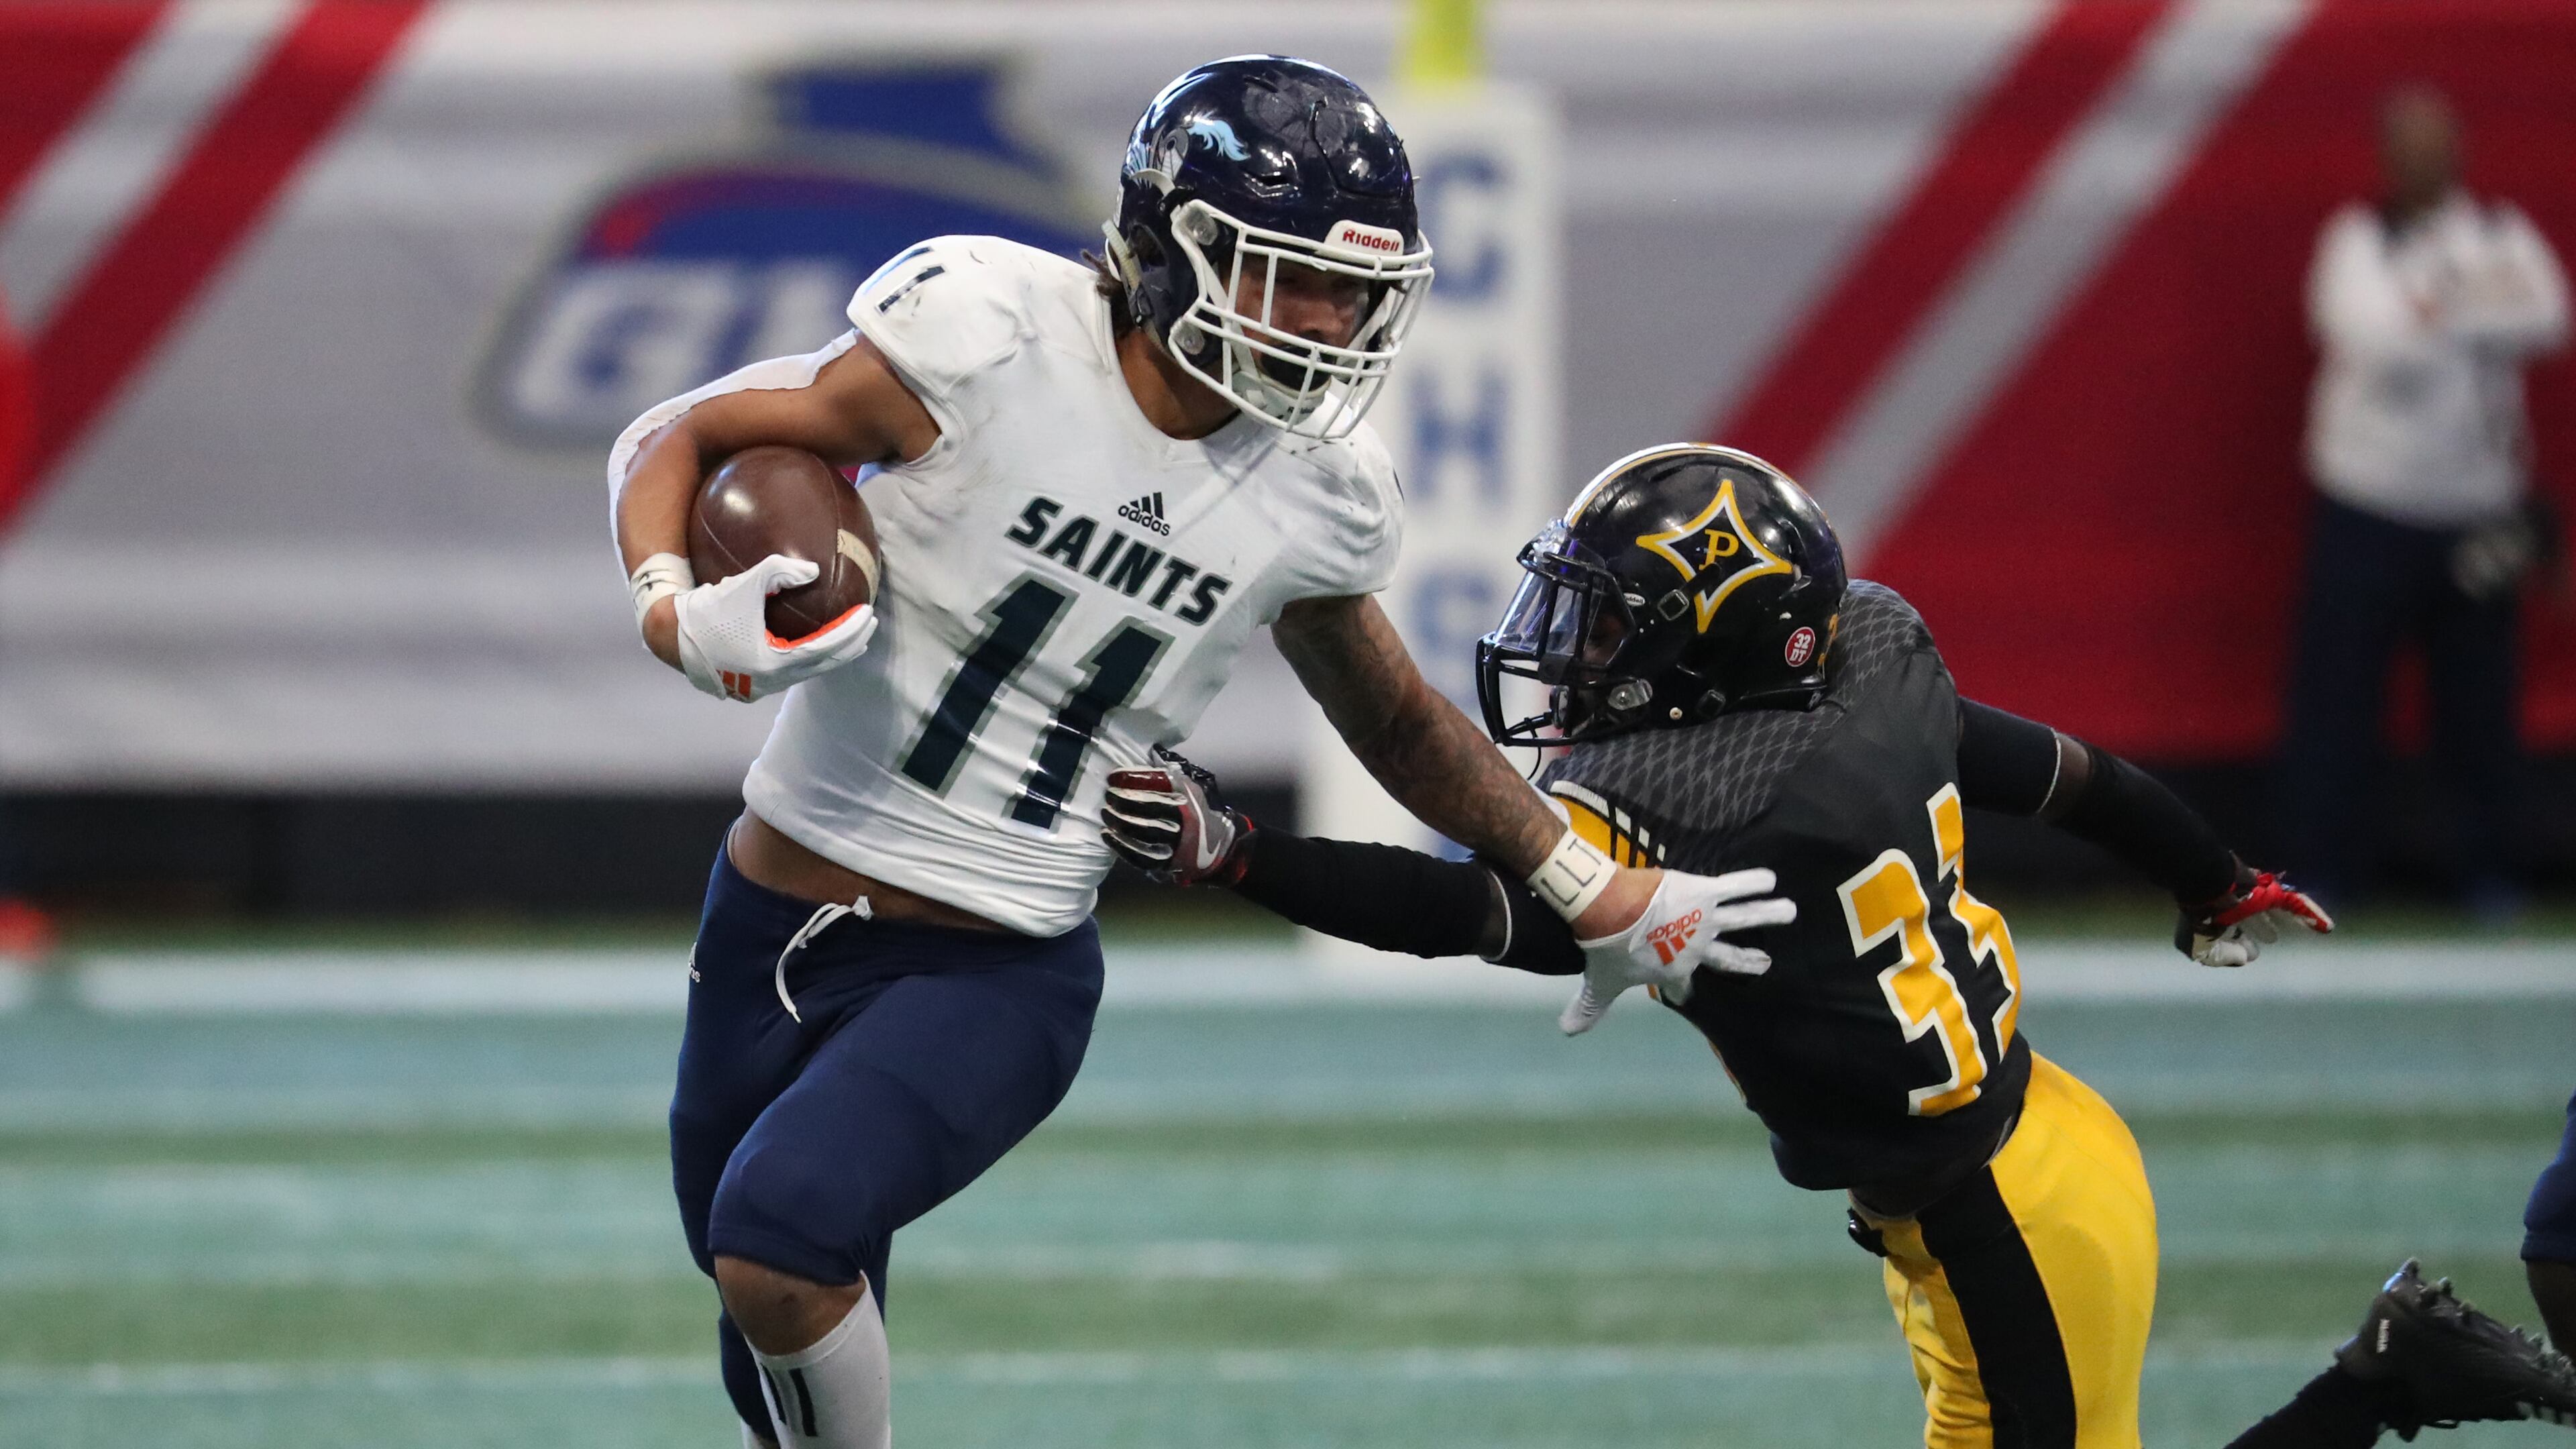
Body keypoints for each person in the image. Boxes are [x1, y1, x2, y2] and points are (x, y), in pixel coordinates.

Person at [606, 58, 1768, 1449]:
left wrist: (1589, 884)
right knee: (766, 1317)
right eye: (1291, 277)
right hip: (766, 915)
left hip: (998, 959)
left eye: (1356, 290)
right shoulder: (988, 336)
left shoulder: (1320, 495)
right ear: (1167, 249)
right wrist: (674, 607)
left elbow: (1397, 722)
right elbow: (686, 437)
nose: (1332, 322)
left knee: (779, 1240)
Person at [1104, 443, 2576, 1448]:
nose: (1583, 658)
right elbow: (2061, 774)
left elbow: (1474, 916)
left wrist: (1242, 854)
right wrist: (2208, 875)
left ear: (1722, 648)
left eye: (1621, 633)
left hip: (2003, 1224)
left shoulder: (1713, 819)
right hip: (2033, 1150)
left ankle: (2387, 1379)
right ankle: (2391, 1372)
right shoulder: (1865, 678)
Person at [2282, 84, 2569, 918]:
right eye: (2407, 145)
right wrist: (2478, 305)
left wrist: (2431, 308)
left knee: (2480, 708)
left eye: (2437, 142)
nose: (2423, 159)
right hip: (2366, 506)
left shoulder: (2499, 230)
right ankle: (2320, 875)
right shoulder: (2355, 240)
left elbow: (2549, 315)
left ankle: (2490, 877)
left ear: (2460, 150)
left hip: (2476, 513)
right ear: (2386, 156)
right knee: (2337, 705)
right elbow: (2371, 339)